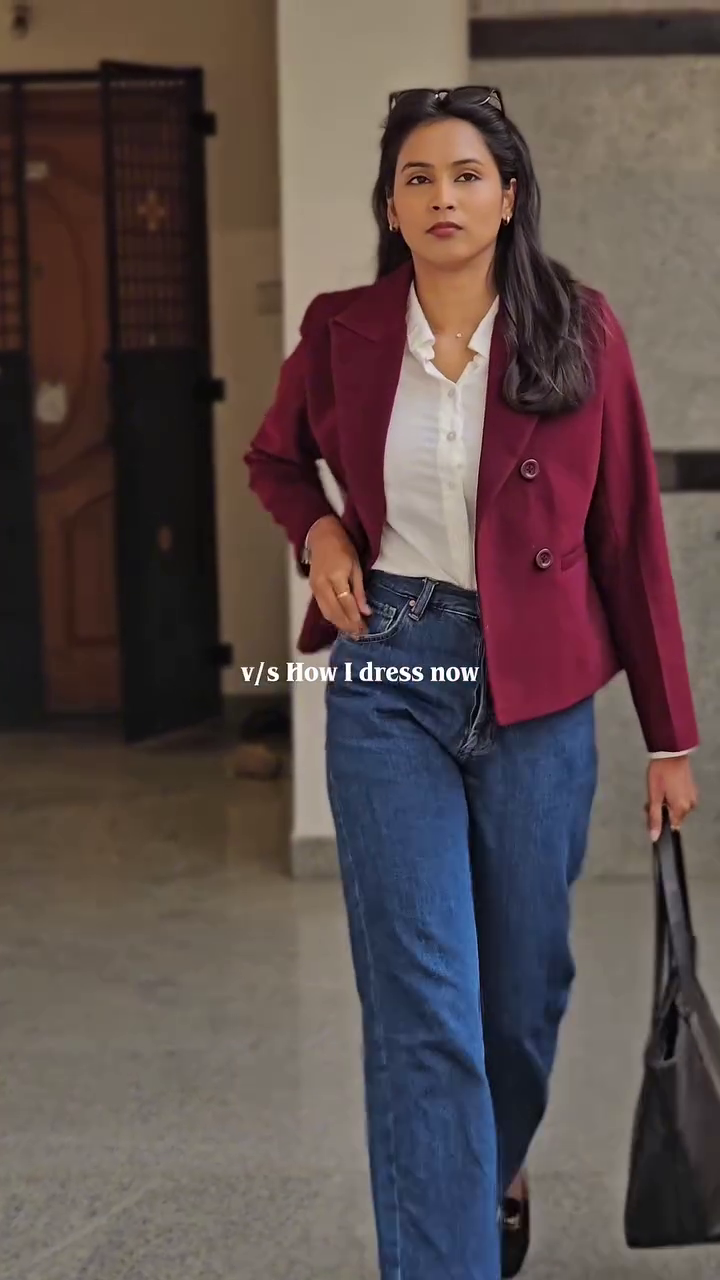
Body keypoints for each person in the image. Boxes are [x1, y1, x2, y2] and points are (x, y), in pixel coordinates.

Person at [244, 86, 699, 1280]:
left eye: (466, 175)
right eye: (417, 178)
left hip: (540, 687)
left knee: (522, 1000)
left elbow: (630, 539)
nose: (442, 196)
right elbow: (276, 458)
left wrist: (669, 737)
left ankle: (490, 1164)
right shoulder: (342, 328)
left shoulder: (580, 330)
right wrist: (323, 535)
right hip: (394, 668)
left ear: (508, 196)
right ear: (391, 207)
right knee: (424, 1007)